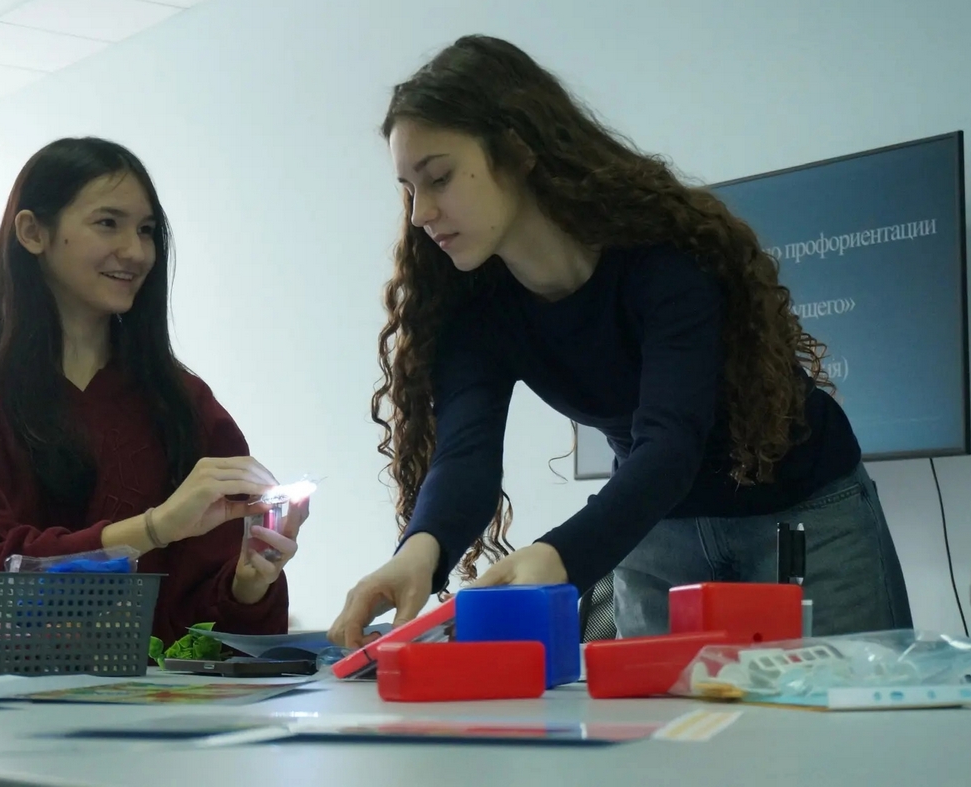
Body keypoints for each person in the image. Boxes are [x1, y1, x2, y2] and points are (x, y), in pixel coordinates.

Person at [329, 35, 911, 647]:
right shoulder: (474, 306)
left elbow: (670, 442)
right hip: (654, 531)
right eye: (409, 188)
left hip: (803, 516)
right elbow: (465, 457)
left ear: (518, 149)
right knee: (670, 714)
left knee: (843, 705)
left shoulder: (663, 258)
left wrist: (559, 556)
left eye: (439, 178)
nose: (420, 213)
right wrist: (418, 552)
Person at [0, 137, 307, 642]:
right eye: (108, 223)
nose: (135, 252)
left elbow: (208, 636)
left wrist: (249, 584)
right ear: (33, 232)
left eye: (147, 231)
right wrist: (152, 528)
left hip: (154, 694)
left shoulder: (187, 405)